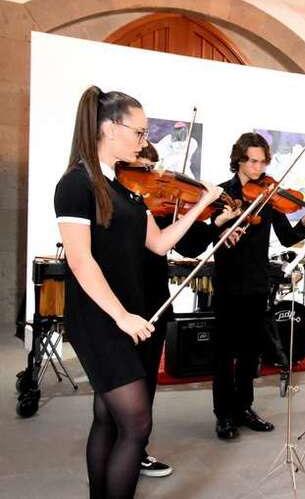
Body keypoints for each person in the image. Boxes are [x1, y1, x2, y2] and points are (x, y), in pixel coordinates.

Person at [54, 86, 222, 498]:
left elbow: (160, 243)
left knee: (108, 419)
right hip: (101, 318)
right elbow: (80, 261)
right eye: (140, 132)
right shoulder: (76, 184)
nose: (144, 141)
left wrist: (203, 205)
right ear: (110, 128)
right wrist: (121, 316)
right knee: (136, 423)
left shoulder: (128, 188)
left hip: (127, 316)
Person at [134, 143, 241, 477]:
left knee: (147, 378)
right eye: (143, 170)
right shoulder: (119, 204)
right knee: (123, 383)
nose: (151, 181)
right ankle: (121, 445)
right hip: (124, 300)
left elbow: (189, 244)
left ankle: (138, 448)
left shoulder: (162, 209)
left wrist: (217, 221)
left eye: (153, 170)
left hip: (153, 298)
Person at [210, 132, 305, 440]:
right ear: (239, 160)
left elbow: (287, 238)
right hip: (229, 283)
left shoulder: (268, 196)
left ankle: (244, 408)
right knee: (224, 353)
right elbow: (211, 235)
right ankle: (223, 415)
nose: (259, 168)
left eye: (263, 162)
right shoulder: (221, 193)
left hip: (258, 284)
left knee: (249, 353)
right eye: (253, 161)